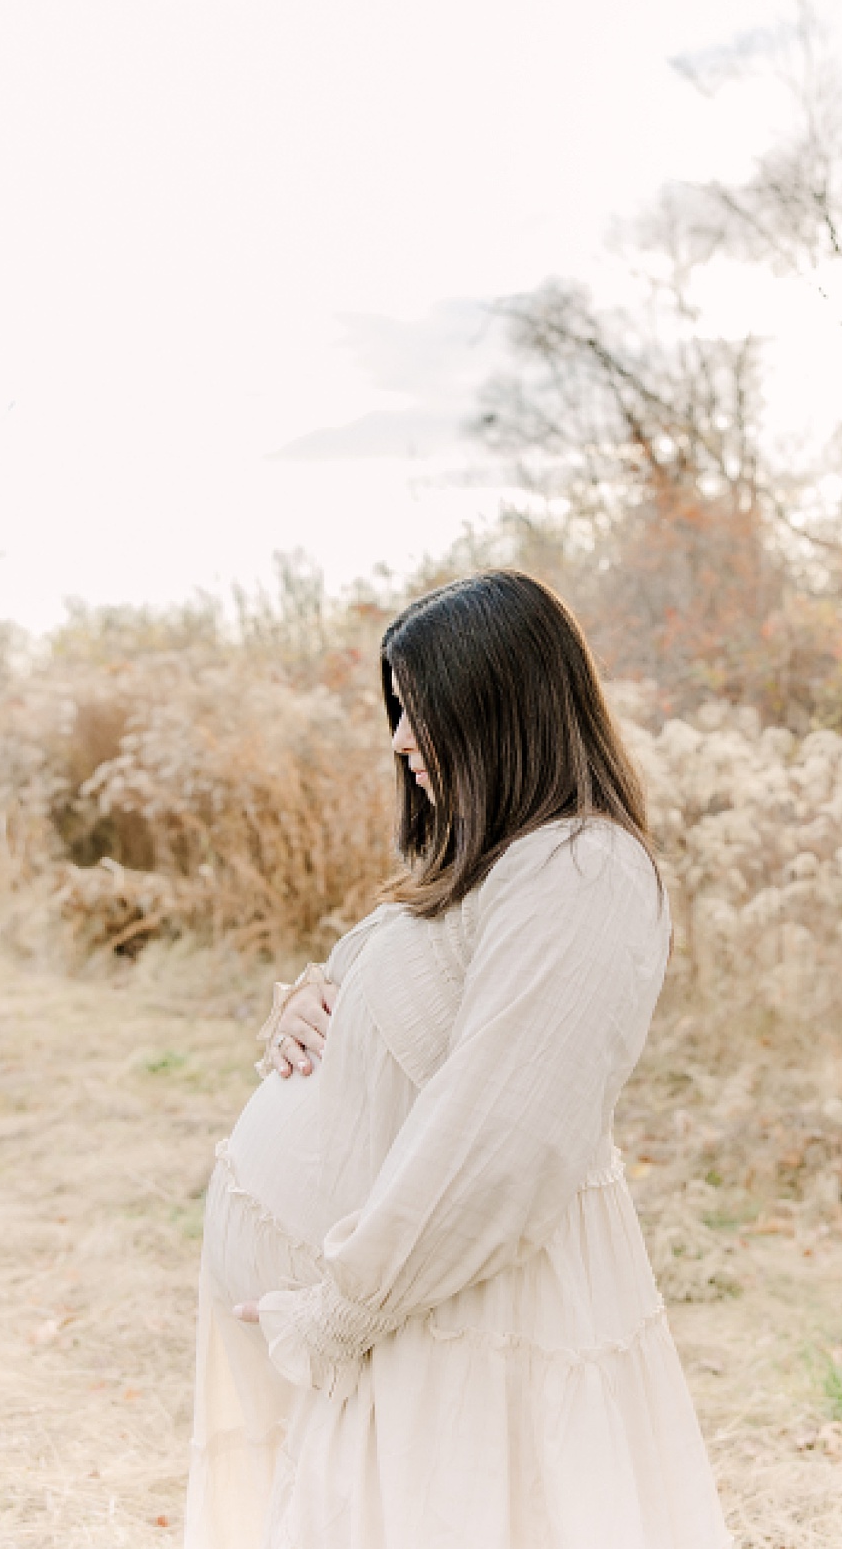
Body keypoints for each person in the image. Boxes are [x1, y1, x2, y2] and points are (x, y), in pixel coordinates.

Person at [185, 570, 730, 1549]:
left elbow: (502, 1137)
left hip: (449, 1326)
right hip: (414, 1328)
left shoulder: (583, 872)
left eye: (420, 711)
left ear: (502, 708)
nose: (399, 741)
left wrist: (338, 1311)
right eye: (397, 710)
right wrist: (318, 1004)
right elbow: (438, 1033)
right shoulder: (502, 863)